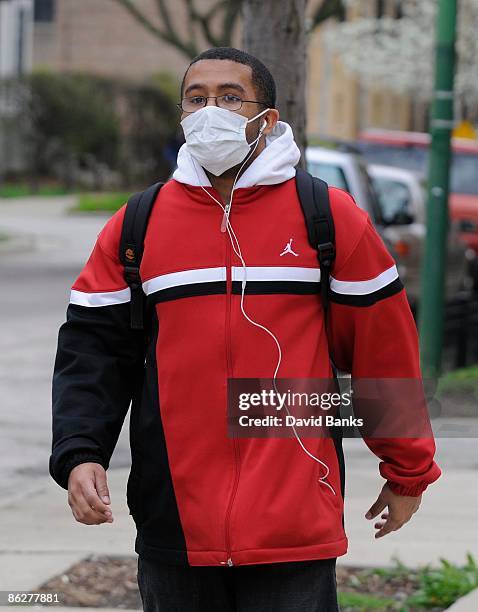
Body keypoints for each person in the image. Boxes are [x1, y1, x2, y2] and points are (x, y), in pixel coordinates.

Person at [49, 47, 441, 611]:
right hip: (174, 522)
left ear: (268, 118)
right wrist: (81, 451)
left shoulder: (327, 217)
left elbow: (386, 351)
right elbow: (93, 351)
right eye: (196, 99)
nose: (211, 111)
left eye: (230, 97)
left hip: (295, 523)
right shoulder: (138, 223)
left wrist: (407, 472)